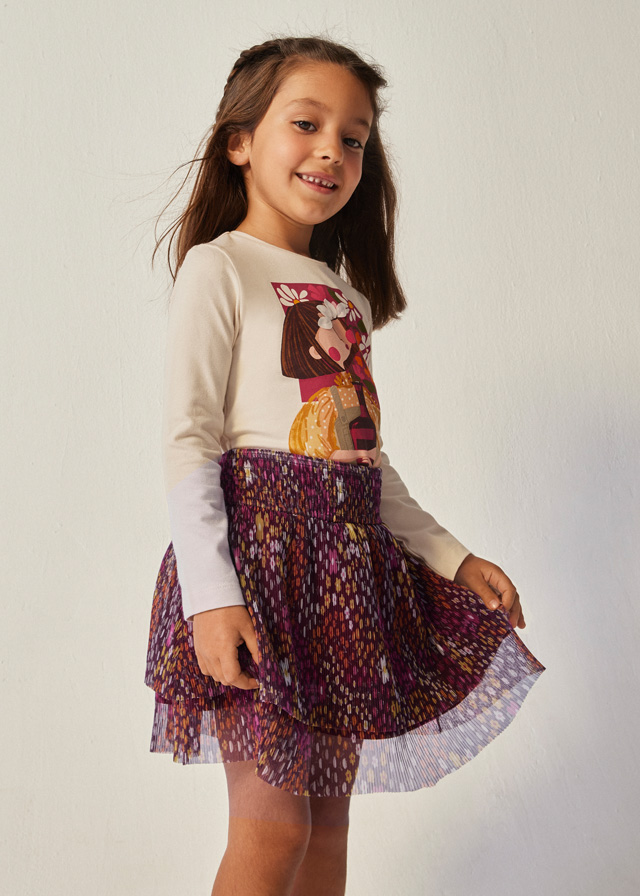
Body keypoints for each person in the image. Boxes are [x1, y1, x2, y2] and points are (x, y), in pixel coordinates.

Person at [144, 35, 546, 896]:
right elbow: (189, 440)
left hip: (342, 584)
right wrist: (213, 597)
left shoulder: (346, 300)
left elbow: (364, 463)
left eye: (353, 137)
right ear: (240, 141)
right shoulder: (220, 268)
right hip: (258, 573)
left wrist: (454, 558)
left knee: (327, 829)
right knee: (274, 827)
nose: (332, 149)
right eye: (307, 124)